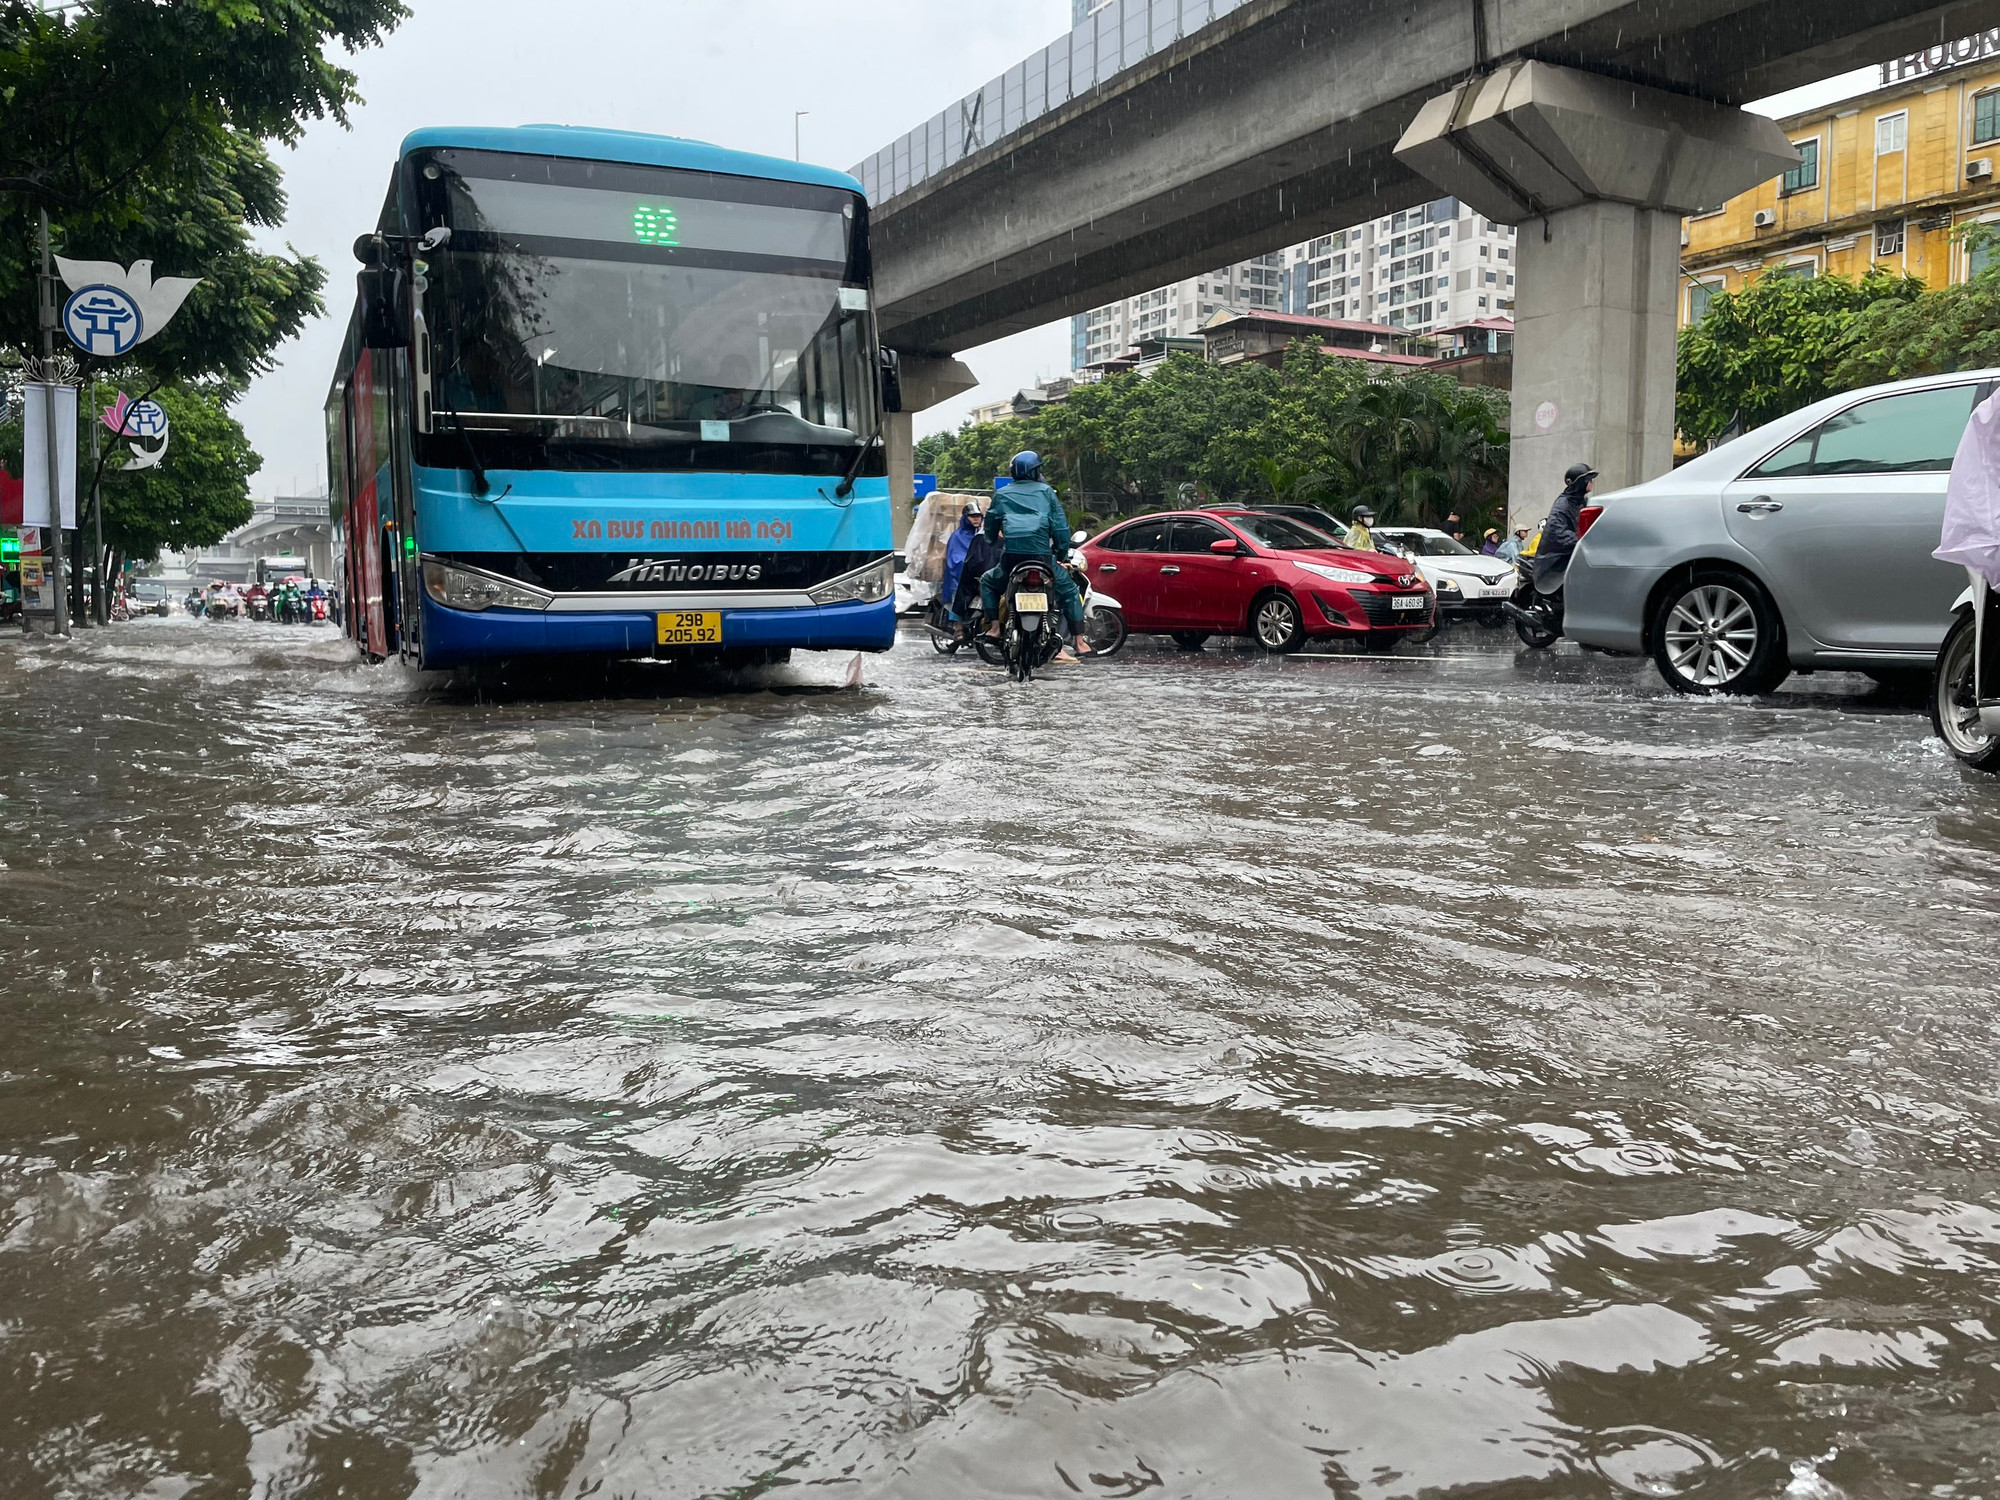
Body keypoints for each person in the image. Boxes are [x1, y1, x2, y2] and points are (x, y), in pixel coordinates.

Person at [980, 452, 1090, 657]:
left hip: (1012, 559)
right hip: (1043, 559)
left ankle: (994, 628)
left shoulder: (1002, 494)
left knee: (987, 582)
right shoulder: (1047, 492)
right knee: (1070, 592)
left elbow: (991, 525)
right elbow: (1060, 528)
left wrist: (992, 540)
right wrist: (1062, 553)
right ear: (1036, 471)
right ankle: (1080, 641)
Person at [1534, 462, 1596, 588]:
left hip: (1574, 555)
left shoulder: (1582, 502)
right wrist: (1583, 540)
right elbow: (1557, 532)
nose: (1592, 483)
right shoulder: (1563, 504)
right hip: (1556, 562)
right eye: (1589, 480)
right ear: (1580, 483)